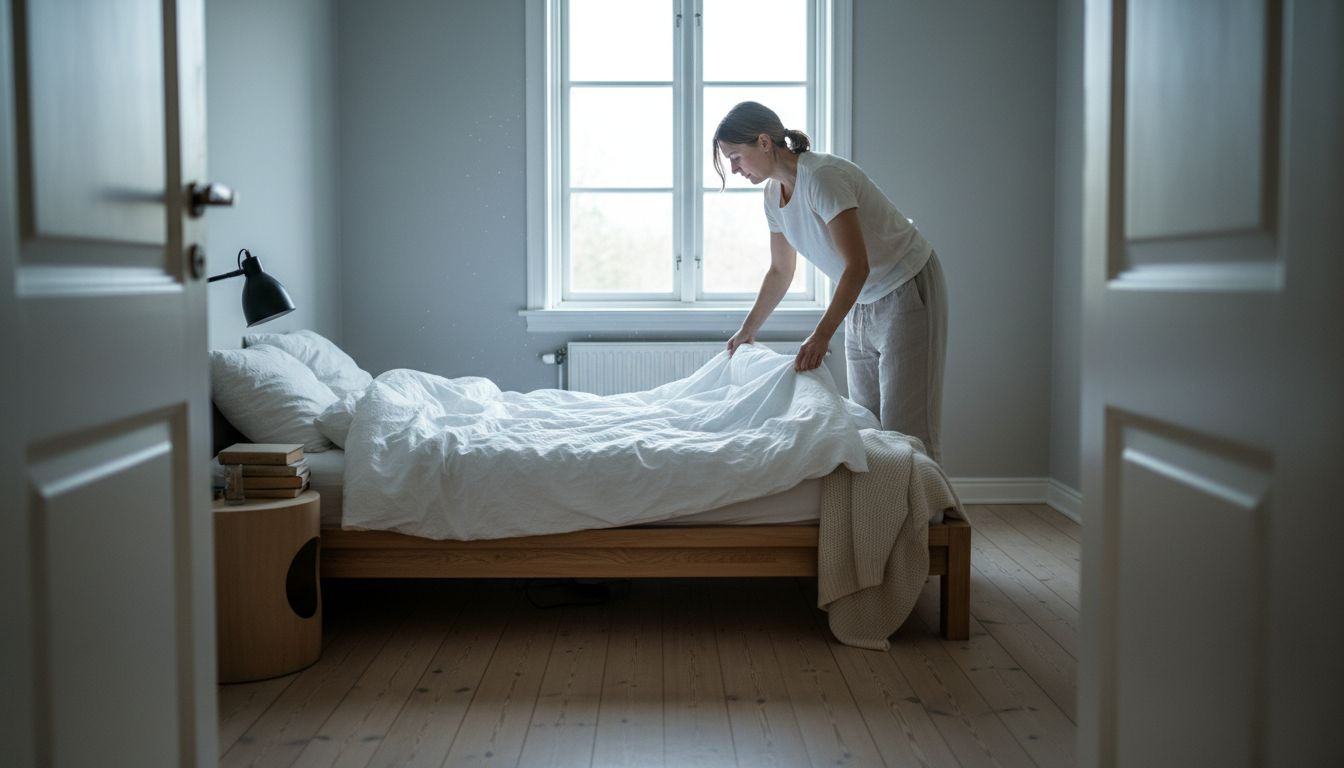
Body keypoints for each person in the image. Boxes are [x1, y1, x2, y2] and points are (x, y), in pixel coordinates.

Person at [713, 101, 948, 462]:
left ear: (763, 142)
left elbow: (857, 265)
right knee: (867, 424)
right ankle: (883, 514)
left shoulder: (821, 177)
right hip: (861, 299)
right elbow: (780, 271)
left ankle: (928, 515)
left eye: (735, 157)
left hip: (905, 285)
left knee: (906, 429)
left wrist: (821, 335)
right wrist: (748, 329)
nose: (733, 168)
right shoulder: (772, 197)